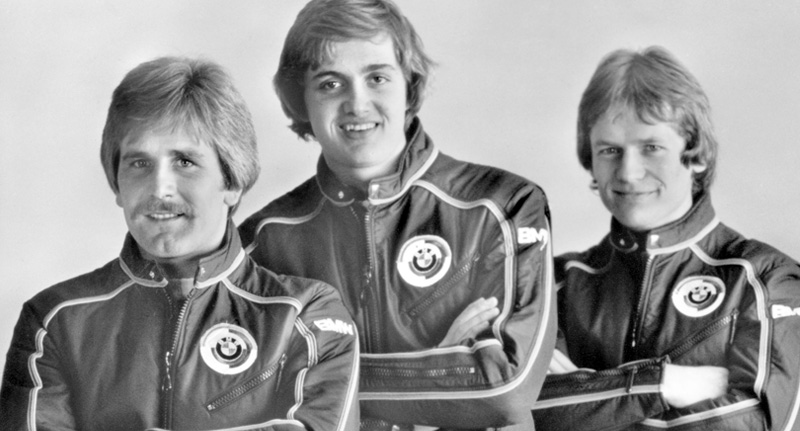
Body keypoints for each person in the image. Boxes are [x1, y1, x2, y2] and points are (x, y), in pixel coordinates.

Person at [238, 0, 556, 429]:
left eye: (377, 78)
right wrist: (440, 366)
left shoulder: (501, 207)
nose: (357, 103)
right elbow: (244, 395)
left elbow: (504, 389)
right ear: (301, 100)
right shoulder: (264, 241)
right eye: (330, 84)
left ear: (409, 84)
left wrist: (321, 375)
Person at [0, 56, 359, 431]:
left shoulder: (304, 315)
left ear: (232, 182)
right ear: (117, 184)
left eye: (185, 162)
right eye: (139, 163)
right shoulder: (55, 320)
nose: (160, 189)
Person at [531, 46, 800, 430]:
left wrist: (588, 400)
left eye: (651, 148)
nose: (628, 172)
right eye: (610, 150)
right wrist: (662, 385)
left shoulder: (764, 280)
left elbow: (761, 423)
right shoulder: (554, 285)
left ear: (697, 155)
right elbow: (515, 413)